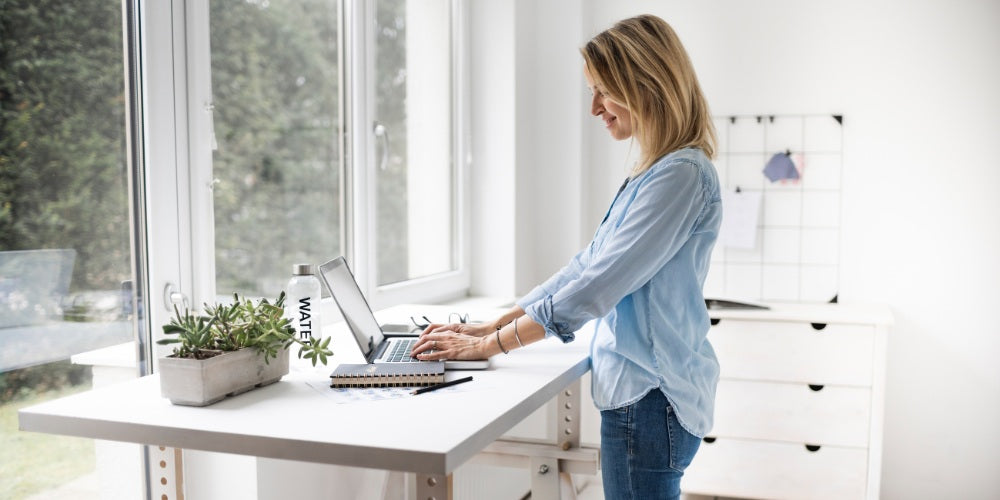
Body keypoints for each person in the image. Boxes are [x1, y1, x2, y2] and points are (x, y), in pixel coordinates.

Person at [411, 14, 721, 499]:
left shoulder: (680, 175)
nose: (595, 107)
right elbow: (587, 266)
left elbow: (598, 287)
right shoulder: (654, 174)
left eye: (603, 90)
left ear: (643, 84)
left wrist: (490, 347)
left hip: (651, 397)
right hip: (642, 396)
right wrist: (492, 326)